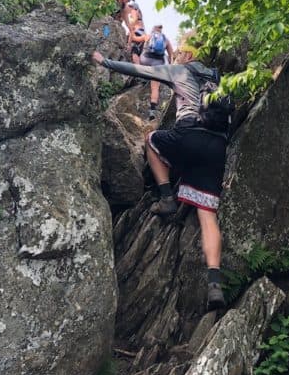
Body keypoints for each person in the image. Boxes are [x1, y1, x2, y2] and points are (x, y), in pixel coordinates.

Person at [92, 44, 229, 309]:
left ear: (188, 56)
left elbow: (142, 69)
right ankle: (214, 283)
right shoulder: (219, 79)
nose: (176, 56)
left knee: (151, 139)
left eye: (180, 54)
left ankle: (167, 196)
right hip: (217, 147)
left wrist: (104, 62)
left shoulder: (179, 70)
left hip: (189, 135)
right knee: (207, 215)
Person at [140, 25, 175, 120]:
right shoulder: (166, 39)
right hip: (158, 64)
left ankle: (142, 77)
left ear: (153, 29)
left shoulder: (148, 36)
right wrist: (170, 65)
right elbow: (171, 55)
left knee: (141, 62)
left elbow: (143, 48)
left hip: (145, 61)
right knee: (155, 87)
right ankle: (152, 110)